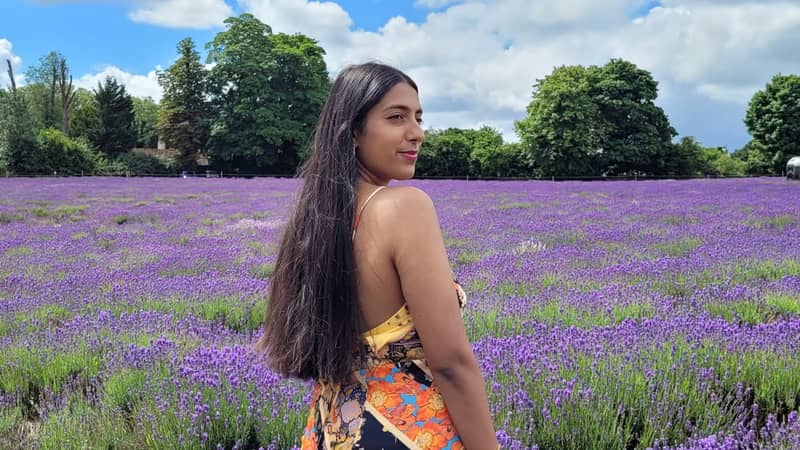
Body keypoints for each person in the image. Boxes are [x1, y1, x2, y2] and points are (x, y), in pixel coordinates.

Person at [255, 62, 499, 450]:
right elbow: (450, 363)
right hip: (408, 433)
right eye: (396, 117)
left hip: (329, 430)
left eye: (418, 118)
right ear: (353, 130)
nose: (416, 133)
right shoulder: (404, 208)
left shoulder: (318, 223)